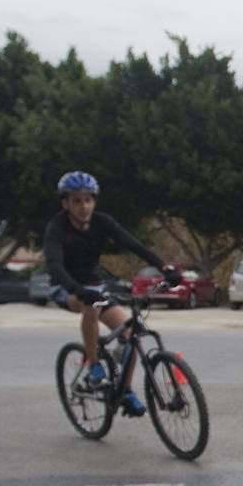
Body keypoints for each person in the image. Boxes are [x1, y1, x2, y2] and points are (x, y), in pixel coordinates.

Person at [45, 170, 180, 417]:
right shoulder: (57, 227)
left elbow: (135, 246)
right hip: (65, 287)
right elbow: (55, 266)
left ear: (94, 201)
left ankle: (126, 390)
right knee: (90, 306)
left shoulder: (102, 222)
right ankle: (94, 365)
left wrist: (165, 267)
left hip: (96, 286)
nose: (83, 206)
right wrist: (77, 290)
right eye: (76, 200)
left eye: (88, 200)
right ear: (65, 203)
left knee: (131, 332)